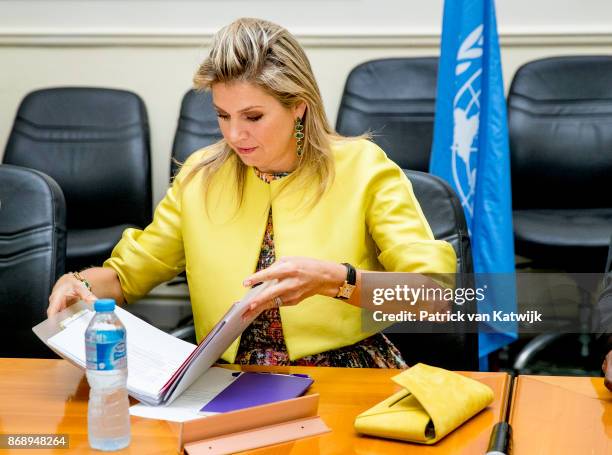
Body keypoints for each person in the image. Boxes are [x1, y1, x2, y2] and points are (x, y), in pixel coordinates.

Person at [47, 17, 456, 368]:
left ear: (298, 104)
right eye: (222, 115)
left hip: (343, 372)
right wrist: (78, 282)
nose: (234, 134)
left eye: (254, 116)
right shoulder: (200, 176)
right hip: (224, 378)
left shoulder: (362, 168)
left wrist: (337, 281)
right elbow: (125, 276)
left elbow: (435, 297)